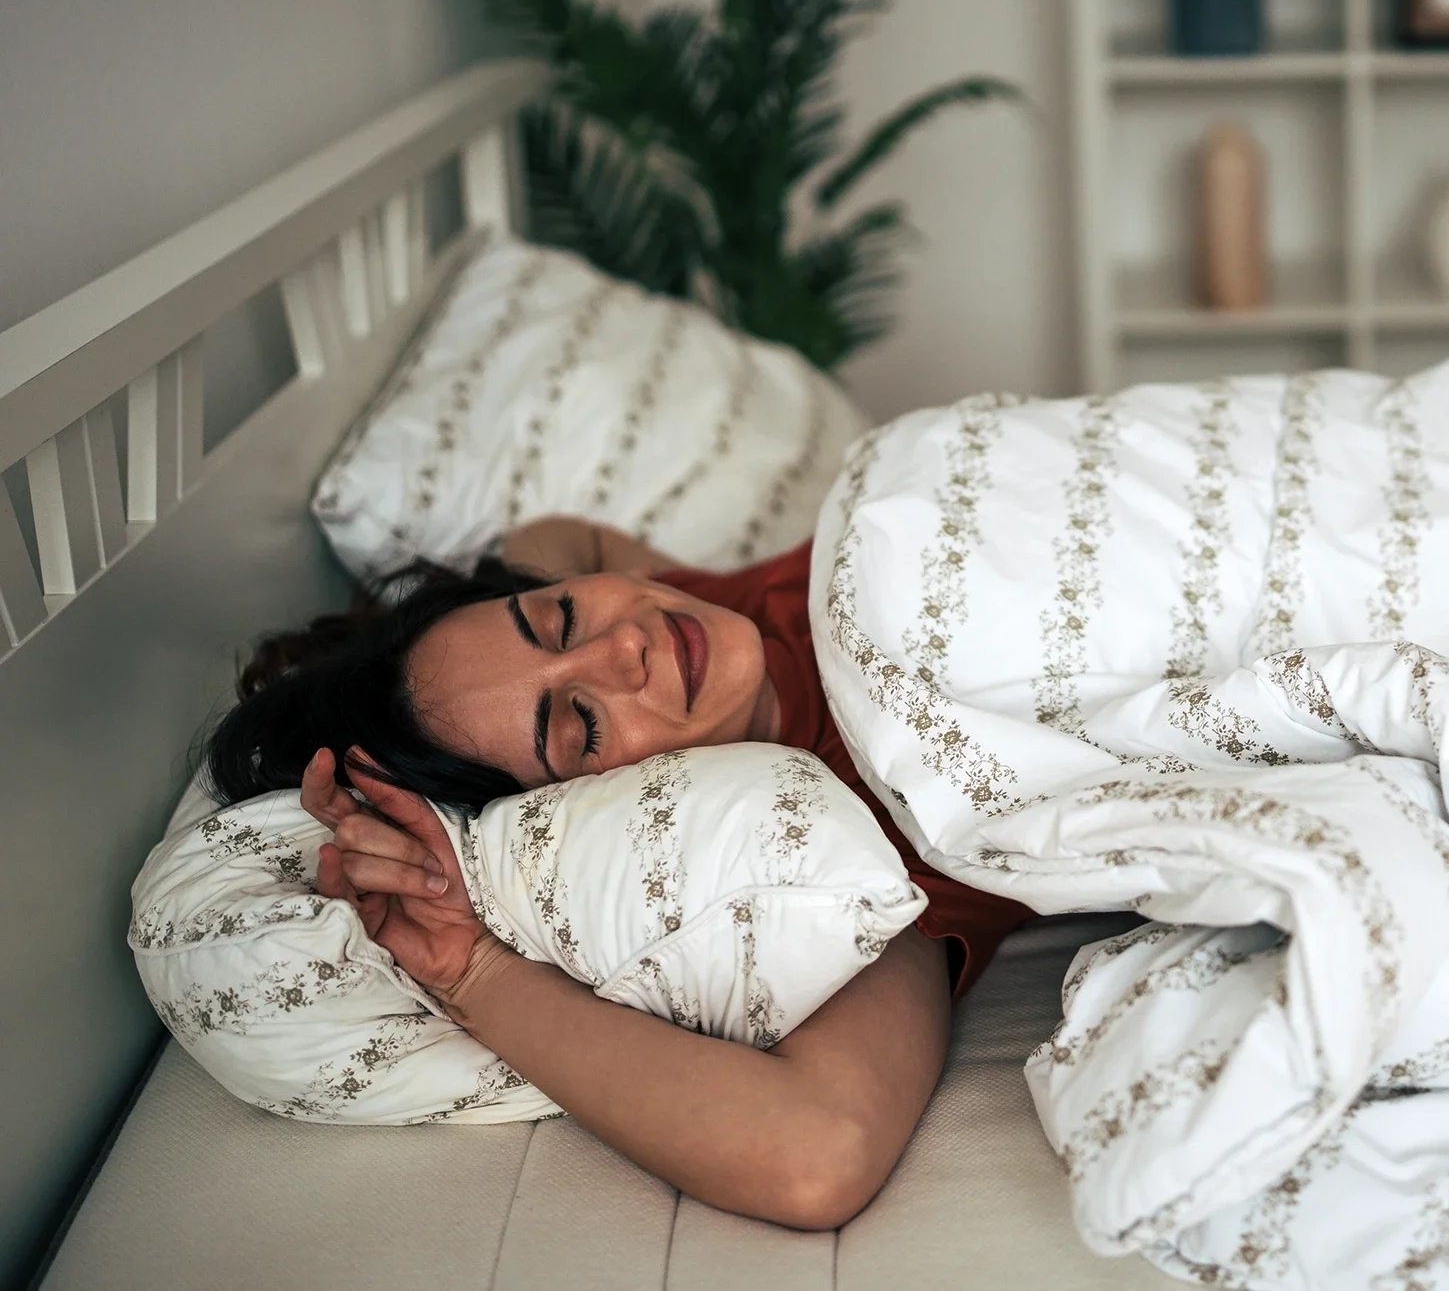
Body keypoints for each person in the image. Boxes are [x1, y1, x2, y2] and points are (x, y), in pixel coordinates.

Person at [203, 516, 1033, 1229]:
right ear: (602, 806)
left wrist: (348, 655)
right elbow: (817, 1152)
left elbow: (560, 538)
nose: (625, 645)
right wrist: (471, 968)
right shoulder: (866, 849)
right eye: (583, 725)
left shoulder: (697, 617)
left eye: (558, 616)